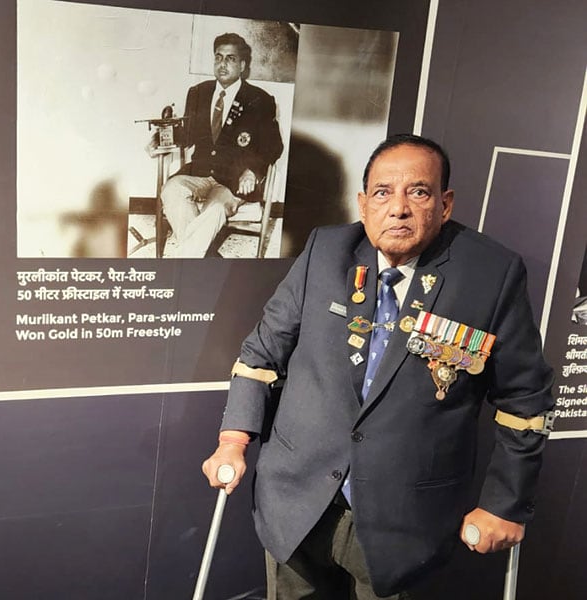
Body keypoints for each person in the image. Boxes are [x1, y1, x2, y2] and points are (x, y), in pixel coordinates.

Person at [201, 134, 554, 598]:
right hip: (297, 500)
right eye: (384, 193)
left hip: (404, 520)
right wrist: (233, 440)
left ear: (444, 204)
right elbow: (261, 355)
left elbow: (525, 400)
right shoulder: (325, 252)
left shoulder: (491, 274)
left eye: (419, 192)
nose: (399, 208)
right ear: (364, 204)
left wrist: (505, 505)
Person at [152, 33, 283, 258]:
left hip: (233, 178)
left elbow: (273, 145)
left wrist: (251, 170)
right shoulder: (197, 93)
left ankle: (184, 263)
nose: (222, 64)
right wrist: (161, 135)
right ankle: (209, 259)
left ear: (242, 66)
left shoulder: (259, 99)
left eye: (230, 59)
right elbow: (187, 134)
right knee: (171, 190)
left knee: (215, 210)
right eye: (218, 58)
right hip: (199, 173)